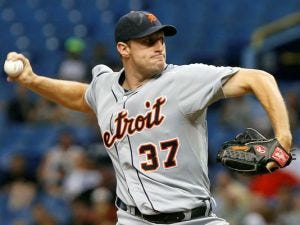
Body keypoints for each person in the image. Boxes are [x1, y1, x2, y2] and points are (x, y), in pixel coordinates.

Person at [4, 10, 292, 225]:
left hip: (194, 219)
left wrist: (283, 137)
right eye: (148, 41)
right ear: (123, 49)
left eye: (161, 39)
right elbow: (83, 96)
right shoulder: (105, 86)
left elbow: (259, 78)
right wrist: (32, 80)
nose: (159, 46)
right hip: (132, 219)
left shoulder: (185, 79)